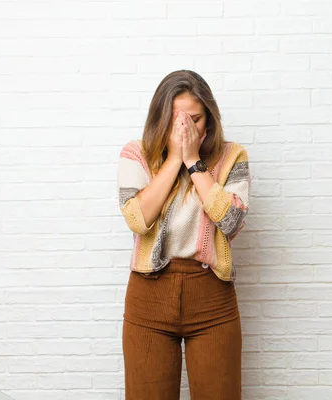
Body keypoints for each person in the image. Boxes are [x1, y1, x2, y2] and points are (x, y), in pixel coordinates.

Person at [116, 70, 251, 400]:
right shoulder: (137, 154)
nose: (187, 129)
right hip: (149, 299)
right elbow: (136, 217)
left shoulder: (233, 156)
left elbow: (232, 221)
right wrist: (175, 158)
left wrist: (193, 161)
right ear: (161, 119)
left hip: (212, 299)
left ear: (210, 119)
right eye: (178, 121)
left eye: (195, 119)